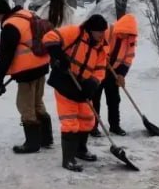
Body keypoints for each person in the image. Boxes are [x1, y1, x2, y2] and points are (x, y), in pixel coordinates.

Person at [43, 14, 110, 172]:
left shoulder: (101, 46)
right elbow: (49, 38)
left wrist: (93, 84)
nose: (102, 35)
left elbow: (100, 69)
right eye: (99, 32)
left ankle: (81, 149)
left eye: (103, 32)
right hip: (64, 81)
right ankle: (68, 158)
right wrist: (59, 56)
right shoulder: (74, 32)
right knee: (70, 121)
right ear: (91, 30)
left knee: (87, 119)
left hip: (83, 86)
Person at [0, 0, 52, 154]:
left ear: (0, 14)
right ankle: (46, 138)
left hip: (28, 71)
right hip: (42, 64)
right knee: (37, 102)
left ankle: (32, 144)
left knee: (25, 105)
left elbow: (5, 56)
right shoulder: (26, 14)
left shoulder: (10, 26)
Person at [92, 12, 138, 138]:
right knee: (95, 98)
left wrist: (121, 74)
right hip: (98, 70)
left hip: (114, 72)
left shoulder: (131, 39)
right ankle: (93, 126)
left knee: (114, 99)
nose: (125, 36)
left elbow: (128, 58)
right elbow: (95, 47)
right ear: (120, 28)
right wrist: (102, 59)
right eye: (124, 32)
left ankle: (115, 125)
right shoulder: (108, 32)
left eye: (128, 34)